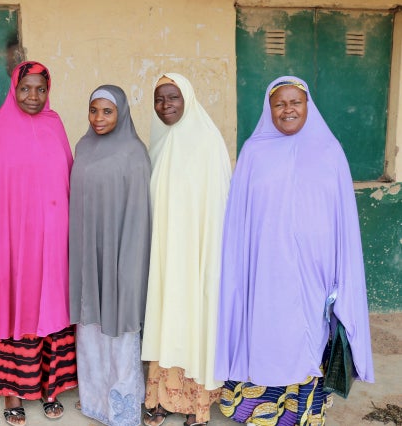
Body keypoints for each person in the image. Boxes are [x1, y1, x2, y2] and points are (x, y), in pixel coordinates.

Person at [215, 76, 375, 425]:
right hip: (265, 270)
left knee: (307, 338)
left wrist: (337, 275)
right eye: (279, 103)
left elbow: (341, 219)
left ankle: (301, 413)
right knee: (265, 333)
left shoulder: (329, 151)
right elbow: (239, 221)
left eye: (295, 102)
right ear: (269, 109)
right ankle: (259, 411)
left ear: (308, 106)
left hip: (313, 273)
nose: (287, 109)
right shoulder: (253, 152)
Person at [0, 61, 77, 426]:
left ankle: (52, 388)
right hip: (14, 243)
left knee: (52, 308)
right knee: (17, 308)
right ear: (13, 89)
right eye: (26, 88)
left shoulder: (55, 125)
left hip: (53, 243)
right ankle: (13, 395)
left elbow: (68, 181)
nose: (33, 96)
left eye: (40, 89)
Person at [141, 74, 231, 426]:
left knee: (195, 322)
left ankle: (198, 405)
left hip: (197, 255)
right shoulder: (160, 142)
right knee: (165, 318)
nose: (166, 105)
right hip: (166, 255)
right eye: (160, 98)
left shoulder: (208, 142)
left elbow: (217, 205)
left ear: (188, 98)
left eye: (173, 97)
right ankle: (161, 398)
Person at [69, 85, 152, 426]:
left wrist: (128, 263)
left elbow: (139, 214)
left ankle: (122, 407)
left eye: (107, 111)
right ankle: (94, 401)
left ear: (121, 113)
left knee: (119, 329)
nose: (99, 118)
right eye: (94, 110)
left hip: (121, 252)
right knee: (90, 328)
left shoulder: (134, 153)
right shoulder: (83, 146)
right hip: (89, 254)